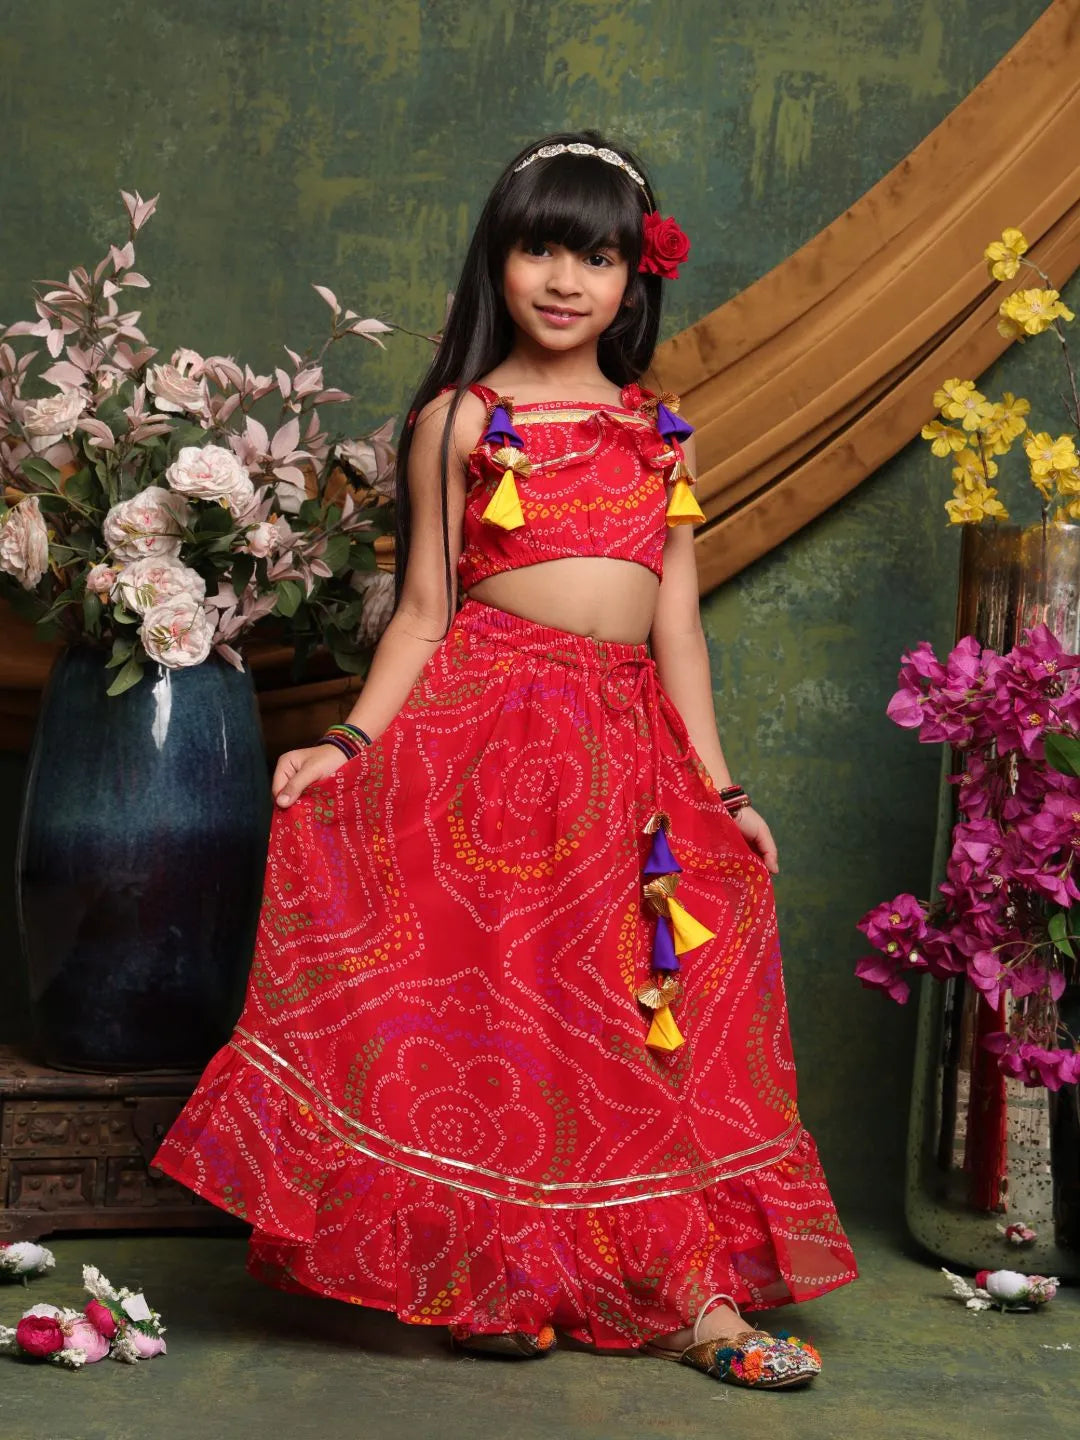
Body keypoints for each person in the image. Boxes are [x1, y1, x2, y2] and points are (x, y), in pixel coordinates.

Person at [155, 130, 857, 1391]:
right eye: (541, 247)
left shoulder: (661, 433)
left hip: (626, 750)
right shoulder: (459, 420)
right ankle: (493, 1277)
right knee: (493, 1011)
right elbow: (423, 608)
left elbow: (681, 627)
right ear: (501, 258)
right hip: (482, 739)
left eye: (596, 255)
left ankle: (692, 1295)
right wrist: (347, 742)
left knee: (645, 1015)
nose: (565, 279)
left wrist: (726, 788)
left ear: (634, 277)